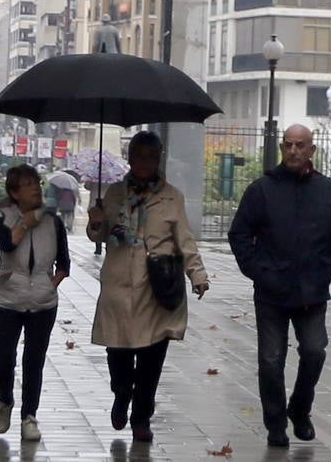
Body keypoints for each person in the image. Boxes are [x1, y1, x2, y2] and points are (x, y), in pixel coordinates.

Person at [227, 123, 331, 449]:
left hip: (312, 291)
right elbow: (239, 234)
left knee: (314, 351)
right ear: (282, 148)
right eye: (288, 145)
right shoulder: (262, 190)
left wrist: (327, 271)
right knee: (270, 359)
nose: (294, 151)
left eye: (301, 145)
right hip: (271, 291)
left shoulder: (328, 191)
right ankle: (276, 423)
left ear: (312, 149)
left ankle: (300, 407)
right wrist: (258, 271)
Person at [86, 131, 209, 443]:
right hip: (117, 286)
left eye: (150, 156)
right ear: (130, 158)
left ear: (158, 159)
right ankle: (121, 392)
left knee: (151, 362)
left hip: (156, 290)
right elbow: (98, 236)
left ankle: (141, 417)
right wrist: (97, 221)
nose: (144, 162)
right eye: (138, 156)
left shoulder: (172, 197)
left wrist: (197, 274)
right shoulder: (113, 194)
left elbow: (185, 239)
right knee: (119, 355)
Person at [0, 164, 70, 442]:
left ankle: (29, 417)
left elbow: (64, 264)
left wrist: (50, 286)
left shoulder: (54, 222)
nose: (36, 187)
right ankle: (5, 401)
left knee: (33, 361)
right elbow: (9, 245)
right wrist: (25, 222)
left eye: (36, 181)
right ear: (14, 192)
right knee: (2, 357)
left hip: (43, 304)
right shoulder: (3, 221)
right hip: (6, 300)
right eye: (27, 184)